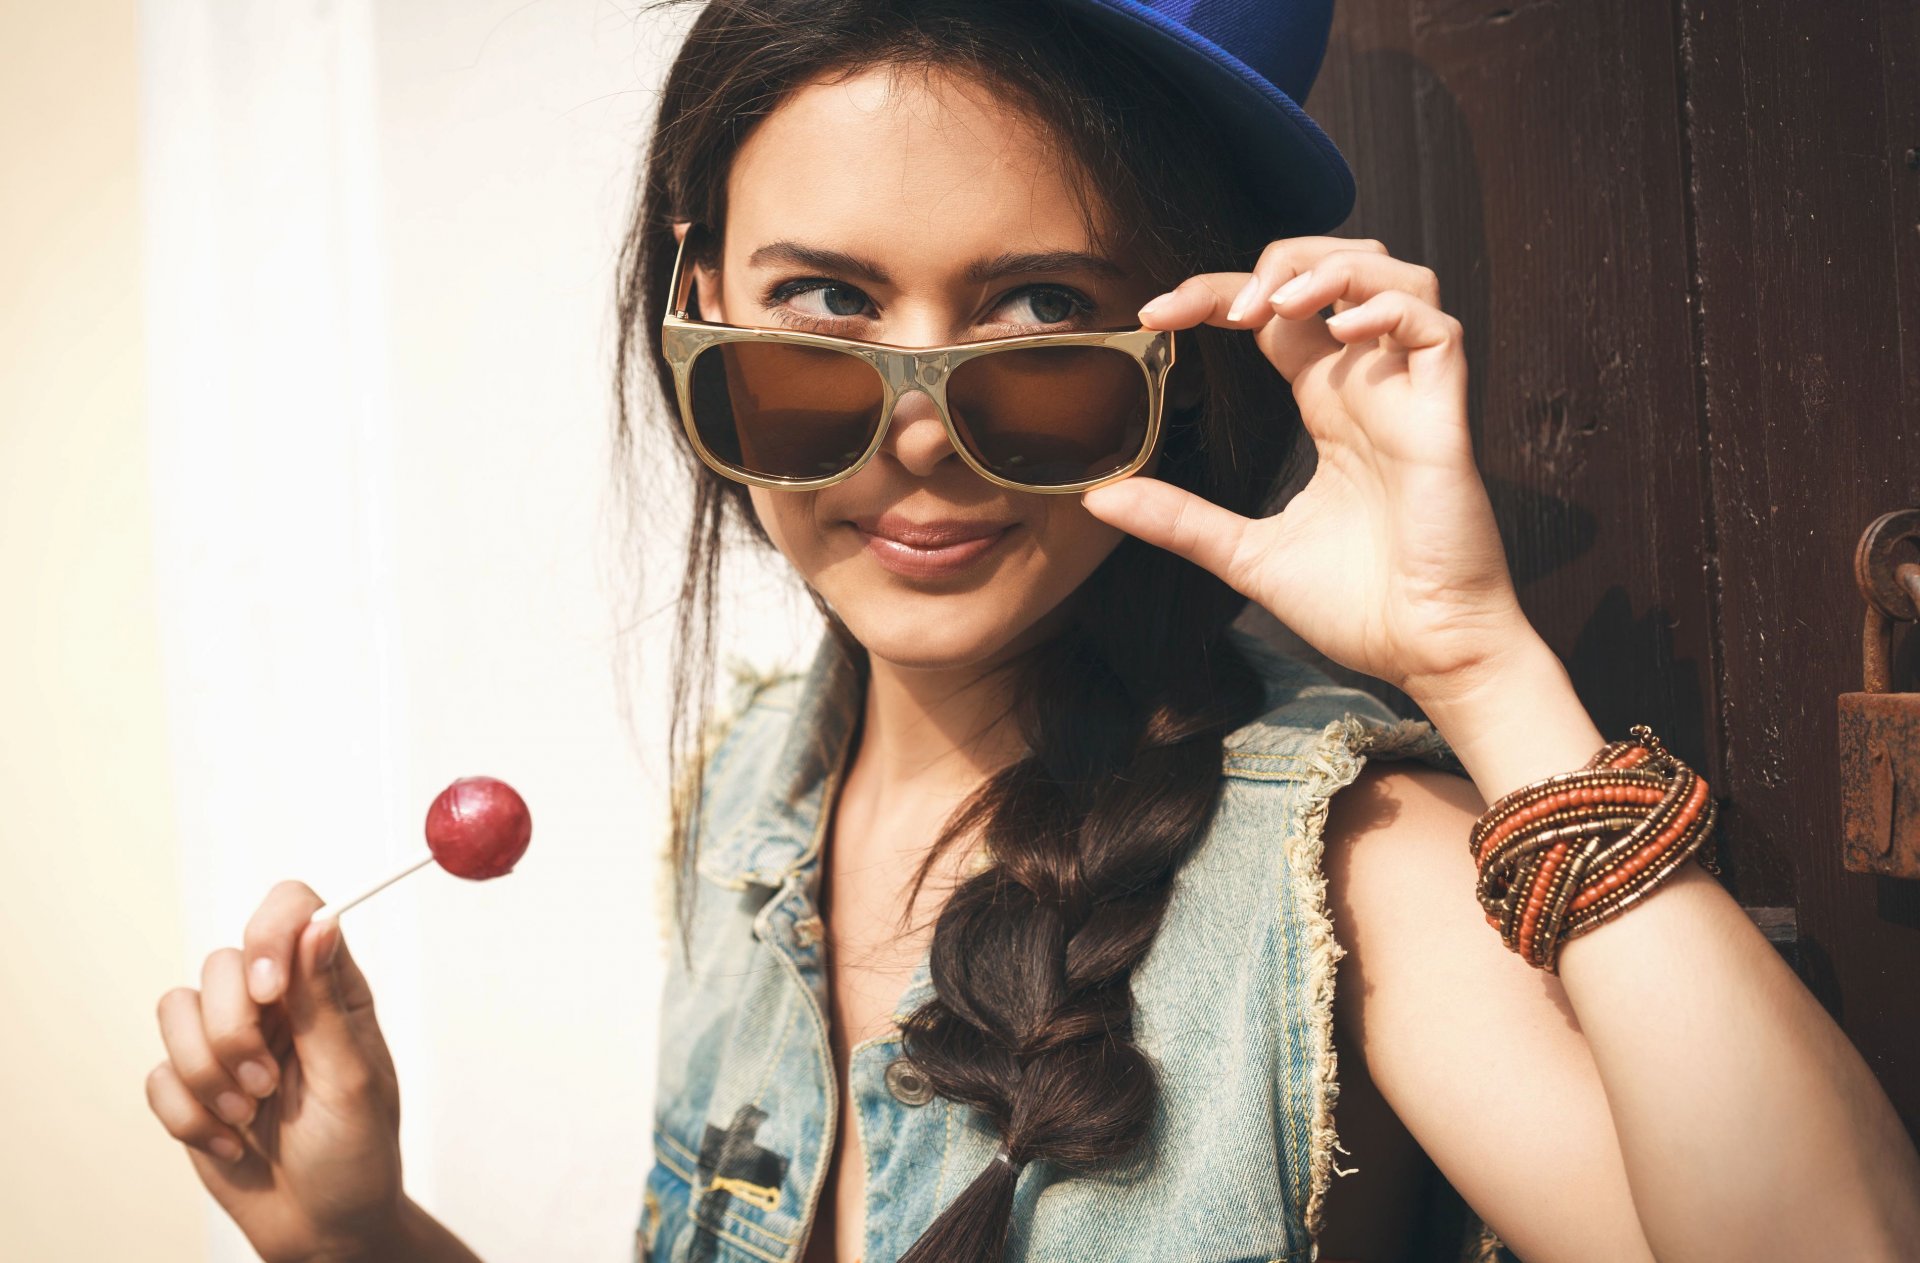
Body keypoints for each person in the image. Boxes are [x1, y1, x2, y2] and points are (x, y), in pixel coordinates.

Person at [144, 1, 1920, 1260]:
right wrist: (361, 1236)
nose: (917, 434)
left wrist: (1475, 656)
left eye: (1043, 317)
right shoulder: (750, 797)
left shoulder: (1338, 873)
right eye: (824, 309)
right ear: (699, 308)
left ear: (1182, 355)